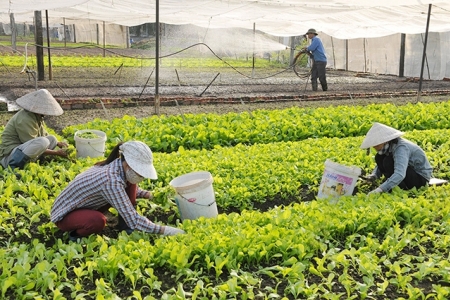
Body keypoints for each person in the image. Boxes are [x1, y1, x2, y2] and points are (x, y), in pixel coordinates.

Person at [50, 140, 185, 241]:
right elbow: (134, 219)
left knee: (131, 184)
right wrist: (165, 230)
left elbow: (126, 191)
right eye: (140, 171)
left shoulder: (118, 168)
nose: (141, 176)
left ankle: (124, 226)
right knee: (97, 221)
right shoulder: (110, 180)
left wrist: (150, 195)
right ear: (128, 164)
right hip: (65, 214)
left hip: (85, 205)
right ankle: (74, 236)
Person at [0, 89, 68, 170]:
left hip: (23, 150)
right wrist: (56, 153)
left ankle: (36, 160)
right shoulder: (25, 119)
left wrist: (58, 143)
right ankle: (13, 167)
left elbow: (44, 135)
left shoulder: (37, 116)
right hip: (10, 156)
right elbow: (34, 143)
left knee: (52, 139)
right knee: (43, 142)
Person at [360, 122, 432, 195]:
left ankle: (400, 188)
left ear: (385, 141)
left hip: (420, 179)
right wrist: (374, 176)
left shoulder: (401, 148)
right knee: (379, 157)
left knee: (388, 162)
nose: (374, 147)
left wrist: (380, 190)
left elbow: (400, 174)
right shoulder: (389, 146)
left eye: (377, 144)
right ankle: (393, 186)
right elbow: (379, 165)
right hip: (409, 173)